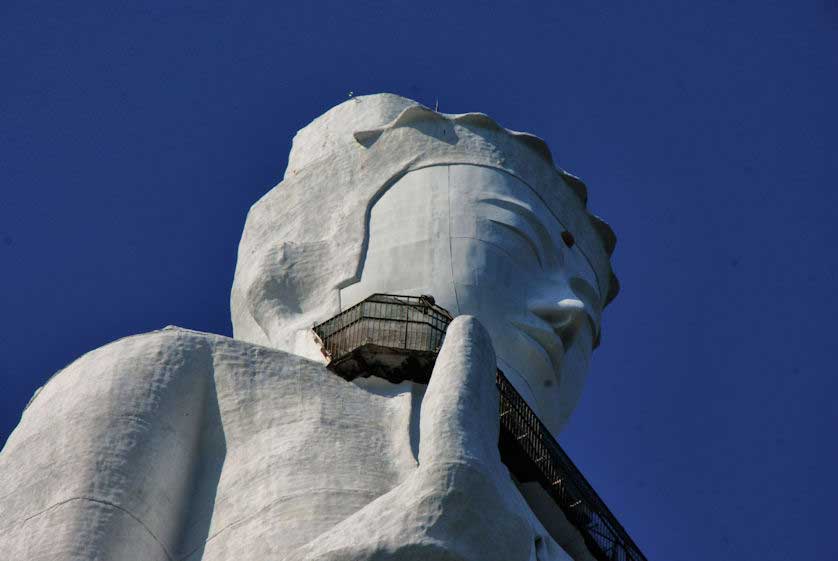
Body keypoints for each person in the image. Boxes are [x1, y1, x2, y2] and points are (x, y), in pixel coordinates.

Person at [0, 94, 618, 561]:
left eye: (590, 312)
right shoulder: (186, 376)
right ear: (300, 262)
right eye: (513, 239)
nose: (568, 310)